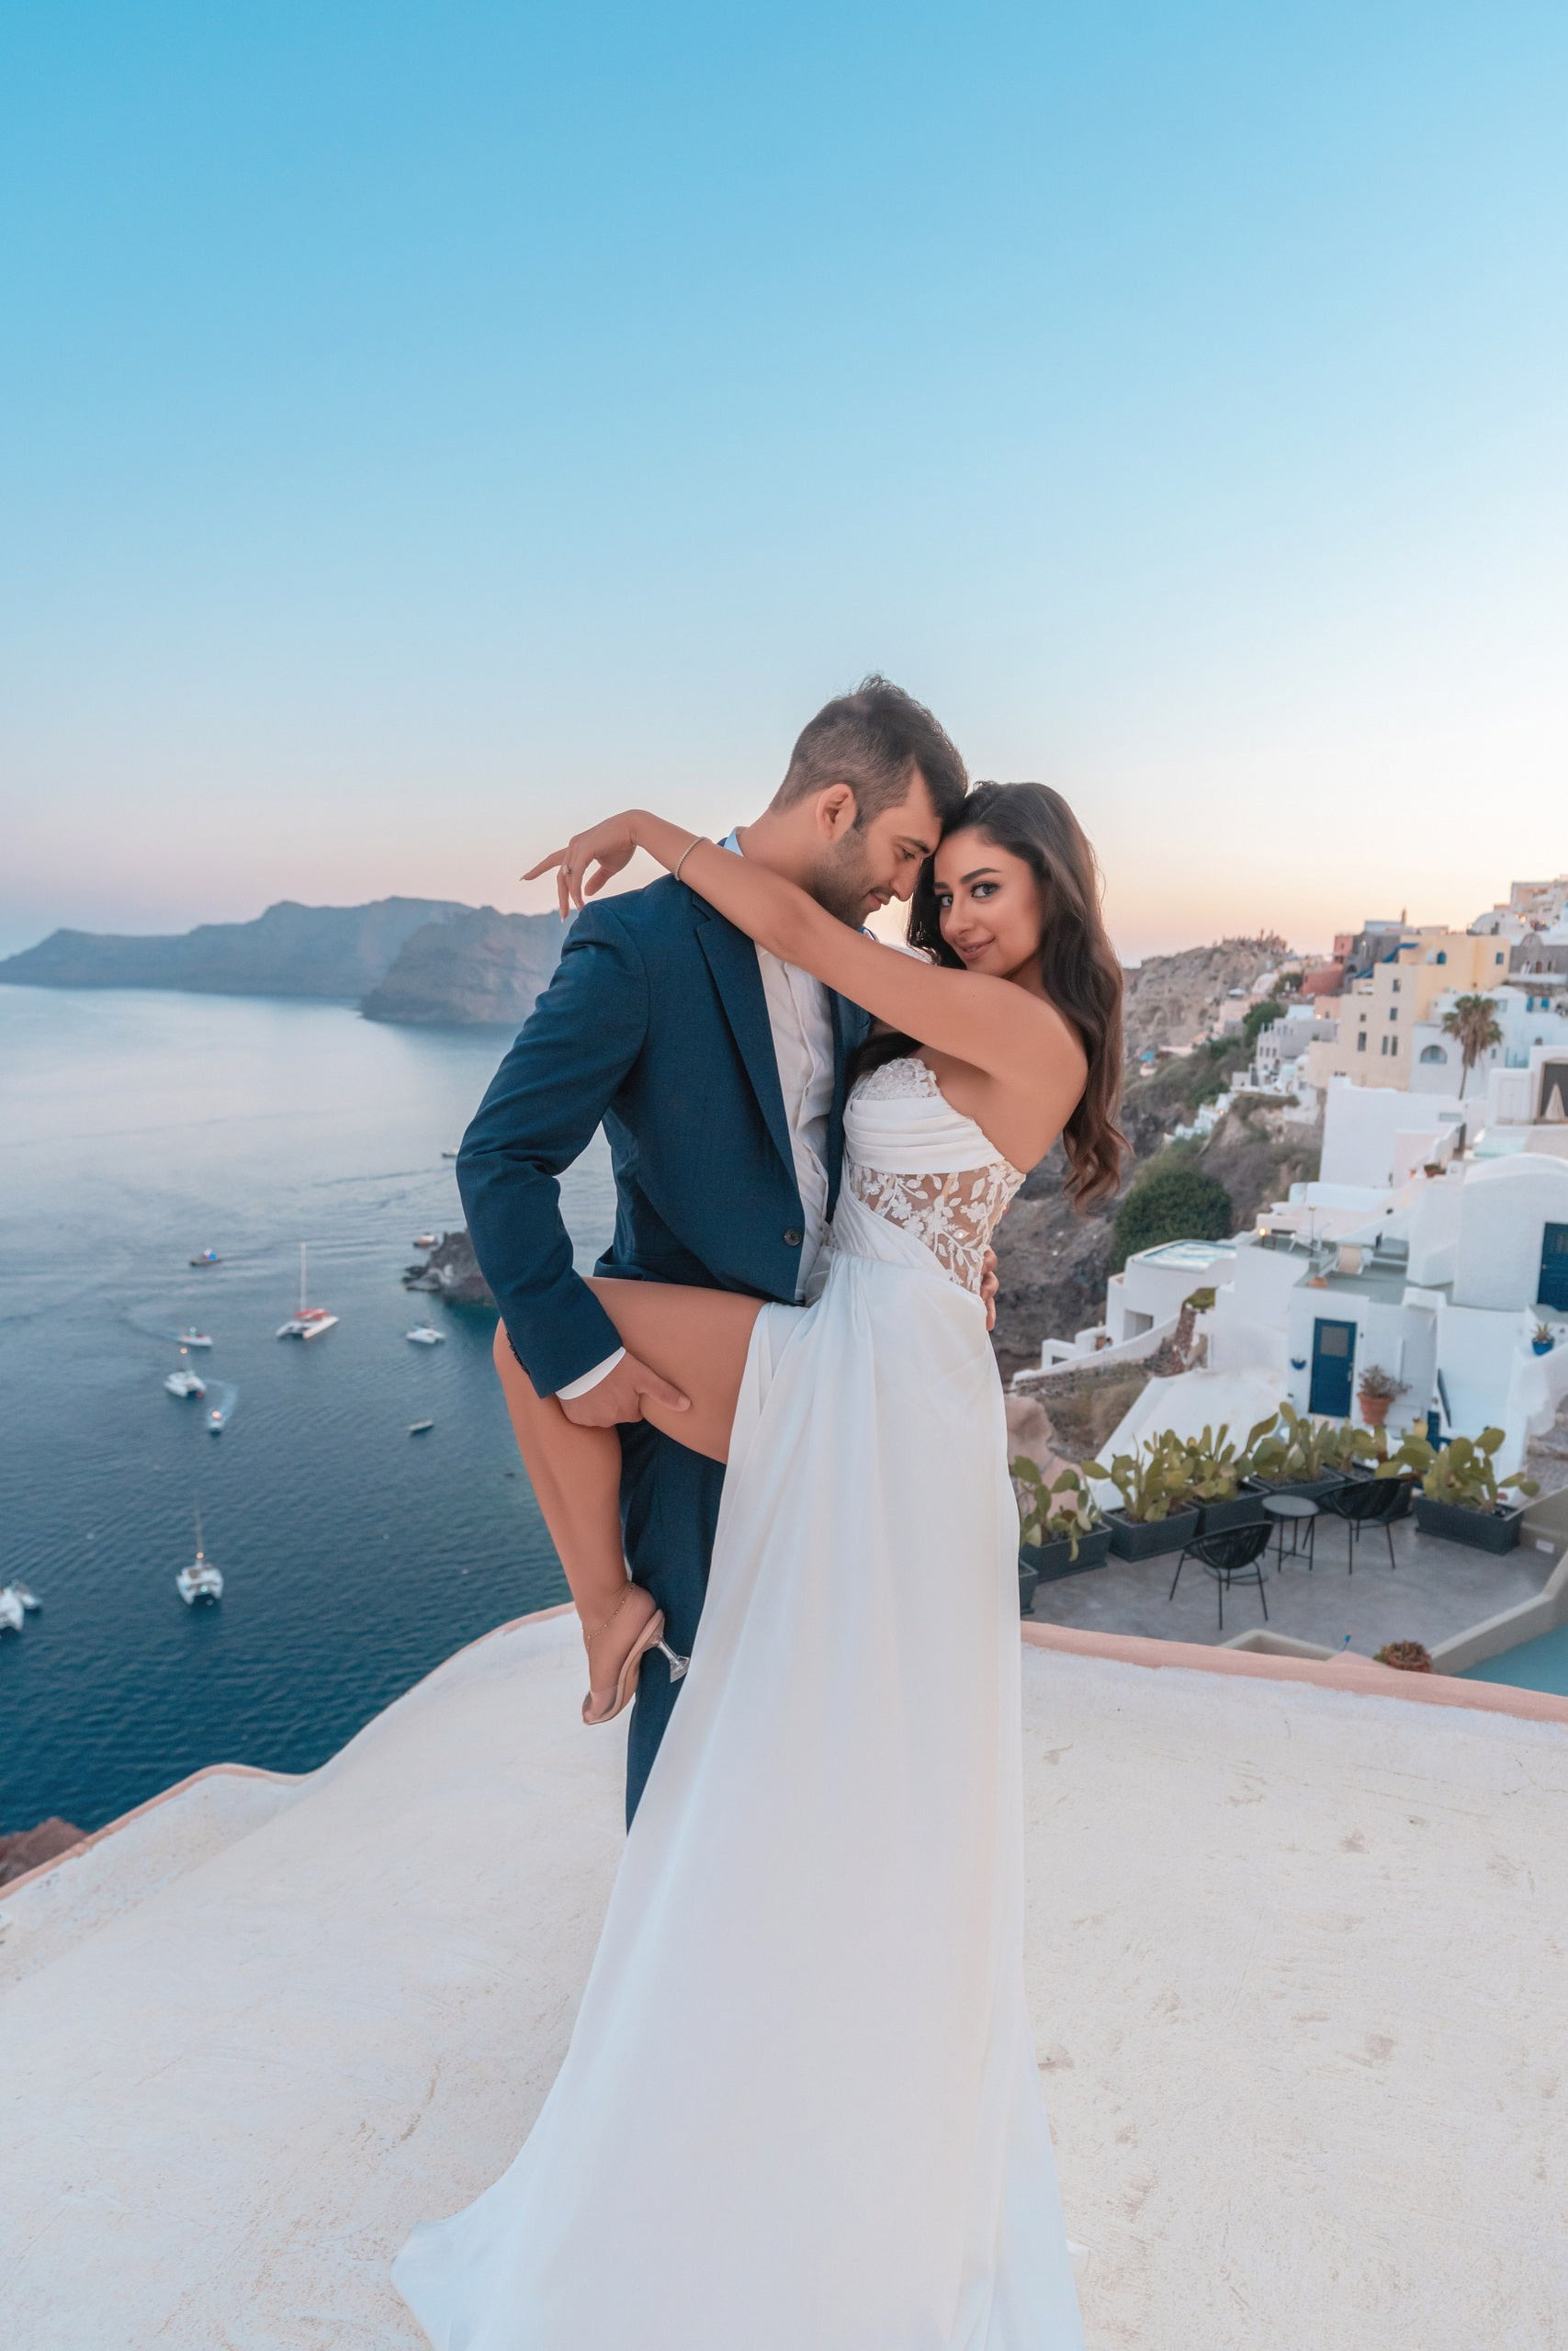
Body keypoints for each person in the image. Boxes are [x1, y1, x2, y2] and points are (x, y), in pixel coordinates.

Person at [393, 776, 1124, 2349]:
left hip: (881, 1371)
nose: (957, 914)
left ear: (1057, 897)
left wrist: (653, 826)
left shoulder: (1037, 1034)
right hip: (856, 1339)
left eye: (987, 888)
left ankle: (609, 1617)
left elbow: (794, 921)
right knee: (572, 1364)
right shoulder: (947, 1022)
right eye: (948, 892)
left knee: (550, 1342)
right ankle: (614, 1615)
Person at [453, 677, 970, 1817]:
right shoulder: (638, 942)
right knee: (684, 1721)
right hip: (685, 1405)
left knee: (806, 1709)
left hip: (834, 1382)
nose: (905, 886)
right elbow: (499, 1157)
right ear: (836, 807)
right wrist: (582, 1363)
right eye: (904, 849)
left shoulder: (847, 960)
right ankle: (662, 1977)